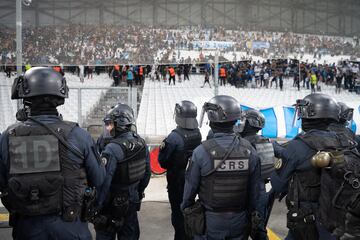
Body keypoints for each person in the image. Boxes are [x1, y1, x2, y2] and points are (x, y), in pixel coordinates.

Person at [0, 67, 106, 239]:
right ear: (60, 97)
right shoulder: (79, 135)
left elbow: (3, 182)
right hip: (71, 227)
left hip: (27, 227)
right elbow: (99, 179)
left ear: (26, 97)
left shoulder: (7, 136)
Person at [181, 95, 262, 239]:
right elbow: (254, 192)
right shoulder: (250, 150)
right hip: (240, 219)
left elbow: (189, 192)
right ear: (235, 120)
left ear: (211, 119)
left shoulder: (201, 152)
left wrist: (187, 210)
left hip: (211, 221)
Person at [271, 93, 345, 240]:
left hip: (309, 220)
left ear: (311, 114)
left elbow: (278, 185)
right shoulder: (345, 142)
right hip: (340, 216)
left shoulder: (298, 145)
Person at [93, 103, 151, 240]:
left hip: (111, 205)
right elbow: (147, 174)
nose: (108, 128)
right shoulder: (141, 143)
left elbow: (104, 182)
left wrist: (96, 207)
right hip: (131, 201)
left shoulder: (112, 149)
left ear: (120, 123)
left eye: (110, 124)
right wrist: (137, 191)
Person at [158, 101, 202, 240]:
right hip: (194, 179)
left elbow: (163, 162)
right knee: (192, 211)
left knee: (178, 215)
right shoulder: (197, 133)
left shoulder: (173, 137)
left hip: (177, 182)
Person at [238, 109, 276, 240]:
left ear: (250, 123)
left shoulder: (240, 143)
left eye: (243, 120)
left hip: (243, 191)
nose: (240, 123)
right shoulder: (267, 141)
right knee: (259, 229)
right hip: (261, 191)